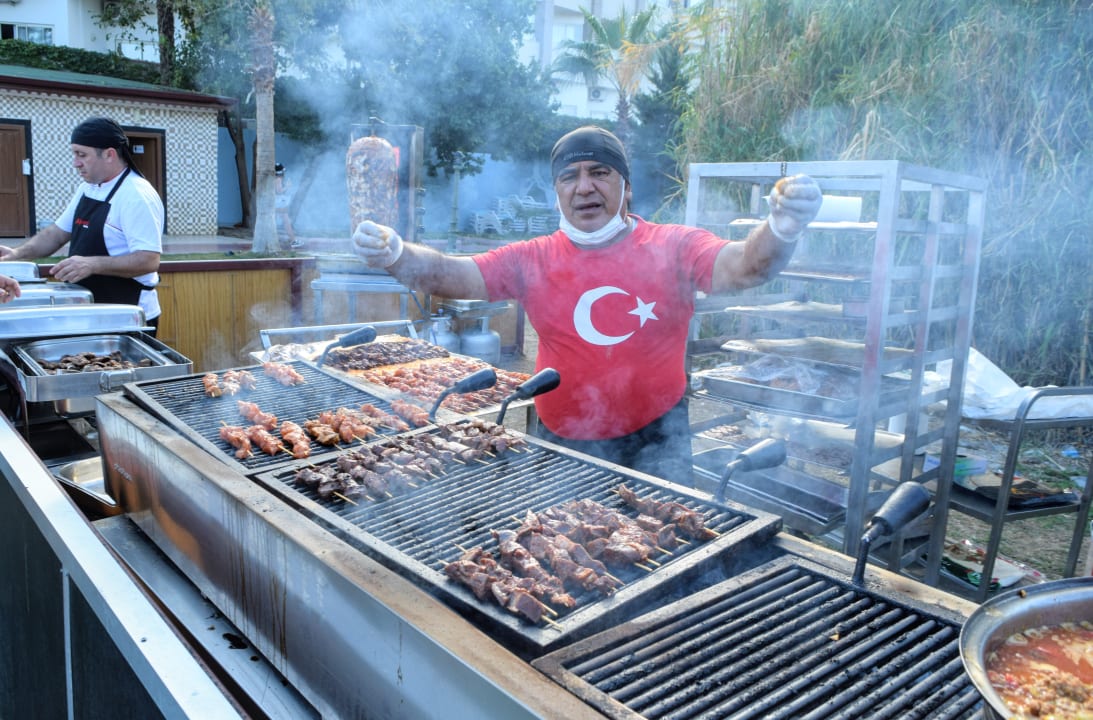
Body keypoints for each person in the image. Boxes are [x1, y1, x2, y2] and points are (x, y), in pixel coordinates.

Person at [352, 125, 822, 483]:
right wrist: (397, 253)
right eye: (570, 176)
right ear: (557, 191)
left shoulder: (674, 246)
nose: (585, 187)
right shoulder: (531, 258)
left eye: (600, 173)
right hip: (560, 440)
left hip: (657, 439)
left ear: (626, 187)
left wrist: (781, 227)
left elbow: (746, 267)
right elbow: (452, 275)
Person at [0, 117, 163, 334]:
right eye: (75, 154)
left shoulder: (136, 195)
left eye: (82, 155)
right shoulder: (89, 188)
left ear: (109, 154)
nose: (75, 162)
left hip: (129, 314)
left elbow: (149, 260)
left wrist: (92, 264)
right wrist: (15, 254)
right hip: (91, 308)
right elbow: (56, 234)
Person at [275, 163, 302, 249]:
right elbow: (279, 191)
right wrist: (287, 186)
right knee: (286, 221)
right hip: (279, 202)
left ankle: (291, 240)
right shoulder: (278, 179)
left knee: (278, 220)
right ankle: (293, 240)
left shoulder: (274, 178)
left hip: (277, 202)